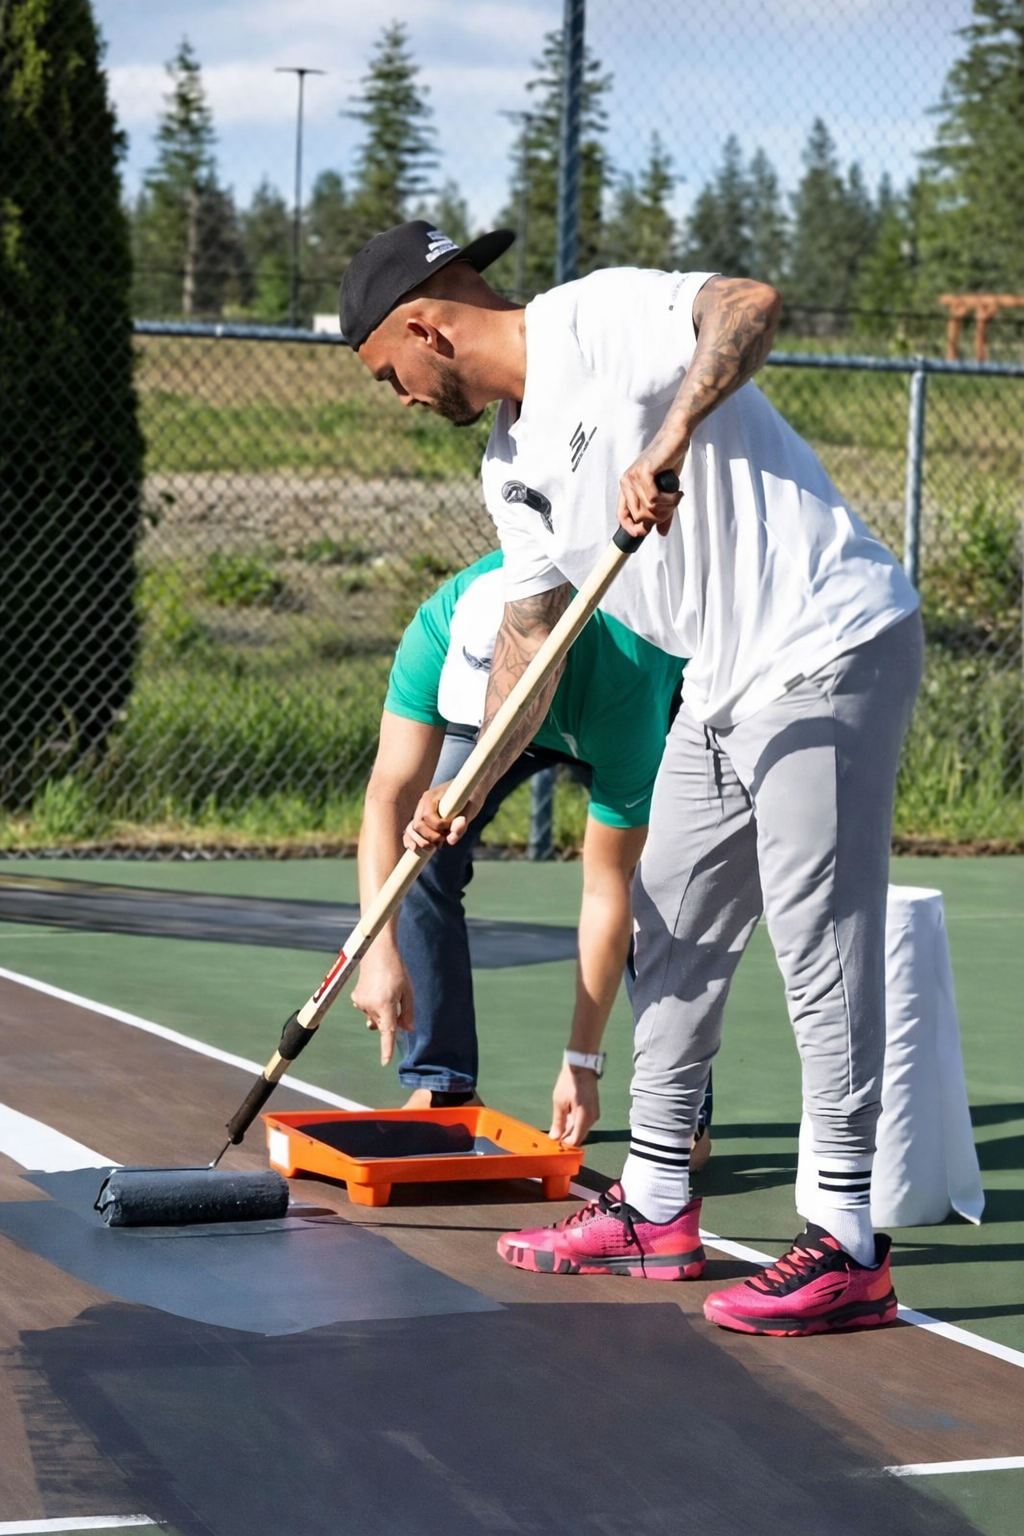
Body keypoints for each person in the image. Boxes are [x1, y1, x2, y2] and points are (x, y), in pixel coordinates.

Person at [340, 221, 923, 1337]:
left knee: (818, 936)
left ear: (425, 325)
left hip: (825, 641)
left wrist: (670, 435)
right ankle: (655, 1205)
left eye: (388, 374)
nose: (399, 397)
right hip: (718, 677)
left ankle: (848, 1242)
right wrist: (466, 786)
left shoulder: (592, 318)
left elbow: (748, 301)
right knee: (669, 926)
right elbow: (529, 643)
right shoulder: (507, 467)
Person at [350, 548, 713, 1155]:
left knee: (663, 891)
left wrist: (582, 1060)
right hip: (546, 689)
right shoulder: (437, 633)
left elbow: (609, 885)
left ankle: (677, 1109)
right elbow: (387, 798)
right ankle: (444, 1086)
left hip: (625, 694)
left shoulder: (623, 687)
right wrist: (375, 948)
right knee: (426, 848)